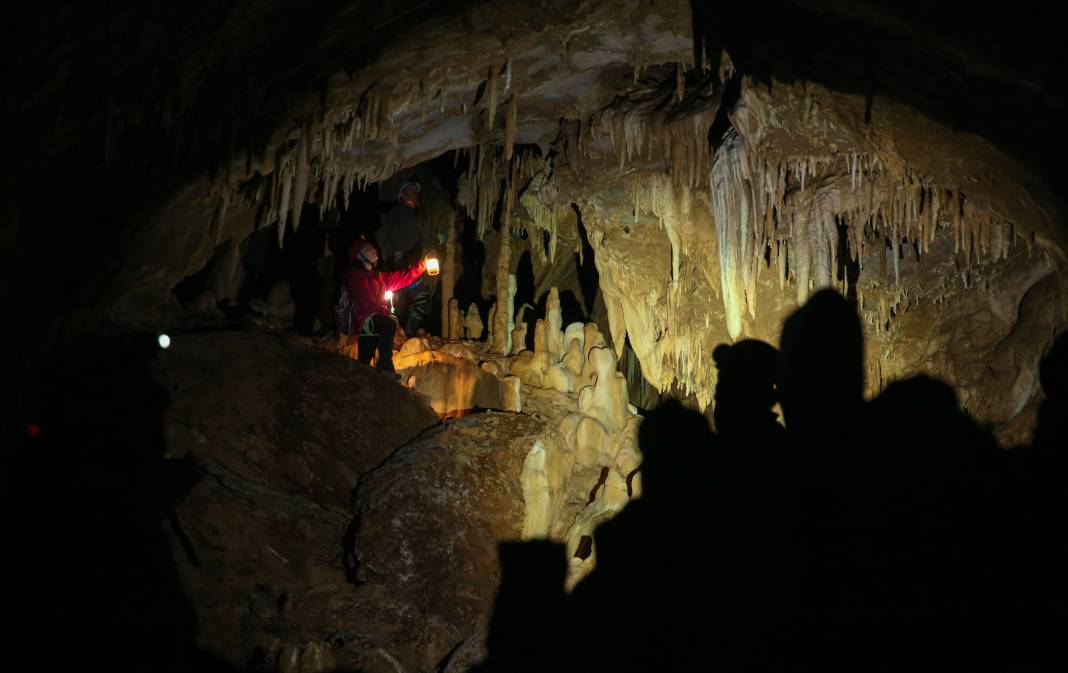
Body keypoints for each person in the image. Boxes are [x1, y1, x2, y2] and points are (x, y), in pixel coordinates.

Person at [345, 239, 427, 373]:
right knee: (388, 324)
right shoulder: (355, 277)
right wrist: (388, 314)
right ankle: (384, 364)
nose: (373, 249)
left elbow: (403, 277)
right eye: (368, 248)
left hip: (374, 322)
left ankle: (365, 380)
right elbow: (367, 303)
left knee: (364, 362)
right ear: (360, 256)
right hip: (364, 320)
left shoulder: (379, 277)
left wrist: (423, 264)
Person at [378, 180, 430, 335]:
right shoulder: (399, 212)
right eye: (411, 189)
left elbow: (415, 240)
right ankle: (388, 335)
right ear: (402, 194)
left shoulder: (411, 216)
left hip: (409, 266)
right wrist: (391, 254)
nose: (415, 191)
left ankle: (407, 333)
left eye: (416, 189)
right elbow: (389, 235)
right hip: (398, 265)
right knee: (394, 302)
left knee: (421, 299)